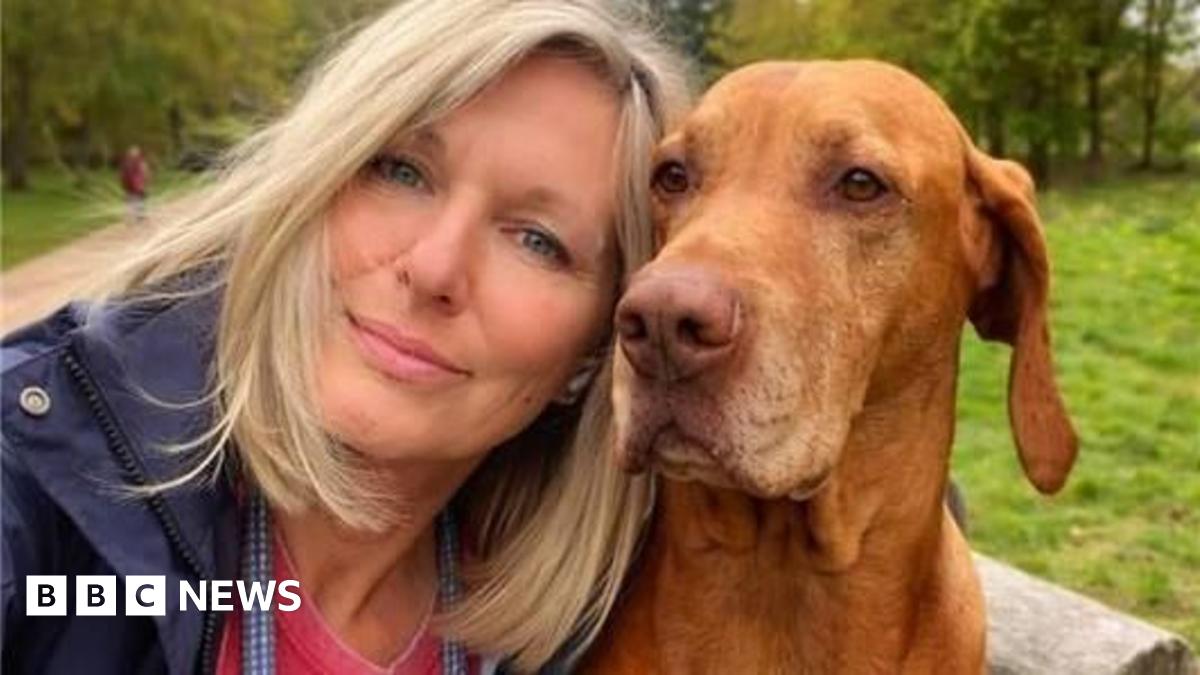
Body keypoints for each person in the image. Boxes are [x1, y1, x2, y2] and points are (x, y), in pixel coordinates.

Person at [1, 1, 690, 673]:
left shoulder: (591, 636)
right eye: (401, 171)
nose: (433, 268)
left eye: (537, 241)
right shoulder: (34, 487)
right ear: (315, 180)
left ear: (596, 351)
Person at [120, 145, 151, 224]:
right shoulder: (138, 163)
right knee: (136, 200)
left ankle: (134, 217)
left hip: (133, 186)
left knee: (134, 200)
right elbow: (145, 173)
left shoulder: (128, 163)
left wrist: (146, 182)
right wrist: (146, 182)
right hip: (135, 185)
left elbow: (122, 175)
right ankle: (136, 217)